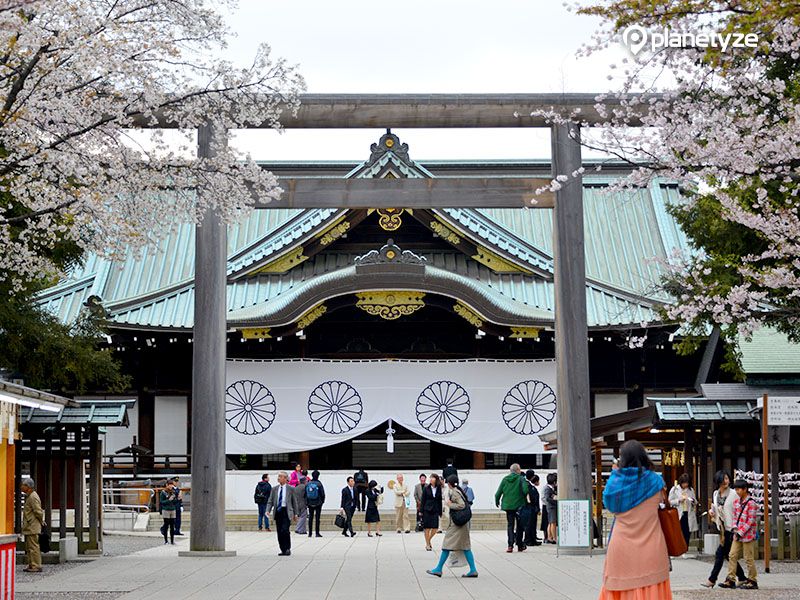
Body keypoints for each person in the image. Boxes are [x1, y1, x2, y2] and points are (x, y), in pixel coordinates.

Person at [598, 440, 671, 600]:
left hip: (621, 546)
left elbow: (608, 504)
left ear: (622, 458)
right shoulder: (655, 481)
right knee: (652, 586)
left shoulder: (615, 483)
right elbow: (663, 502)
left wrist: (615, 474)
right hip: (652, 545)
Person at [426, 474, 478, 578]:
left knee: (447, 545)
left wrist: (449, 504)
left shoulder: (454, 492)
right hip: (462, 524)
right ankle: (473, 569)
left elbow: (461, 505)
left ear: (448, 483)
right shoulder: (458, 490)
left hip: (457, 525)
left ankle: (438, 569)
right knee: (465, 547)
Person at [703, 469, 745, 588]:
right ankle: (741, 577)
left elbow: (739, 509)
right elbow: (716, 509)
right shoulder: (716, 494)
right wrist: (712, 512)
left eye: (727, 479)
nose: (725, 481)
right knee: (727, 555)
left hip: (732, 529)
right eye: (723, 479)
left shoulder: (733, 493)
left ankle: (712, 580)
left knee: (720, 554)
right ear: (718, 481)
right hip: (722, 529)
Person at [718, 479, 759, 590]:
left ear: (745, 489)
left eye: (738, 489)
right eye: (735, 489)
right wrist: (735, 529)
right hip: (737, 534)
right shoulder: (736, 502)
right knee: (732, 555)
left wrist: (741, 532)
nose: (736, 491)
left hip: (748, 535)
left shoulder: (751, 503)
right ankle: (731, 579)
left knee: (748, 558)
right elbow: (735, 517)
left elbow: (750, 521)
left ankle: (752, 580)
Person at [495, 463, 527, 553]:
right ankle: (520, 545)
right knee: (520, 526)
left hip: (508, 506)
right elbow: (525, 490)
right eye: (519, 469)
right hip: (519, 505)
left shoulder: (505, 479)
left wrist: (497, 501)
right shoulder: (521, 479)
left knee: (510, 525)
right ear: (517, 470)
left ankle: (510, 546)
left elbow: (498, 493)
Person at [266, 471, 297, 556]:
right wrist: (268, 510)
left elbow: (294, 502)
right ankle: (282, 549)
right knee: (279, 531)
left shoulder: (291, 489)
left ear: (285, 478)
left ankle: (287, 548)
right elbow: (270, 501)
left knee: (285, 530)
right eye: (278, 476)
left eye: (280, 476)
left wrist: (296, 513)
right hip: (278, 512)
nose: (278, 478)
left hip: (286, 511)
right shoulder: (274, 489)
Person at [669, 473, 698, 552]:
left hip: (688, 513)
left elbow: (695, 501)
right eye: (684, 483)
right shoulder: (675, 489)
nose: (686, 485)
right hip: (679, 513)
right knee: (678, 532)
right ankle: (679, 548)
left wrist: (692, 500)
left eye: (687, 483)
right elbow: (670, 501)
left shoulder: (691, 490)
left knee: (687, 532)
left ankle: (686, 548)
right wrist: (679, 500)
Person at [21, 478, 44, 573]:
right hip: (29, 525)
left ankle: (36, 565)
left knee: (33, 547)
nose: (22, 487)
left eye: (23, 485)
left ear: (28, 487)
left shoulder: (33, 497)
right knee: (29, 547)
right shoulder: (29, 496)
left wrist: (41, 520)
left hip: (32, 525)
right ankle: (31, 564)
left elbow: (38, 511)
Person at [421, 473, 443, 551]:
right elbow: (423, 500)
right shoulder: (426, 488)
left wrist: (440, 512)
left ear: (436, 479)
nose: (431, 479)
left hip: (435, 509)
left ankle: (428, 540)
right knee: (427, 528)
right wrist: (421, 511)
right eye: (430, 478)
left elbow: (440, 500)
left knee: (435, 528)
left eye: (432, 478)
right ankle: (428, 545)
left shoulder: (439, 488)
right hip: (427, 509)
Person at [522, 470, 541, 546]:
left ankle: (533, 539)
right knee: (529, 524)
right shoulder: (526, 484)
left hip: (532, 507)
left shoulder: (529, 484)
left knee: (533, 524)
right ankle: (528, 540)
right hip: (529, 506)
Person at [305, 470, 325, 538]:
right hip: (318, 503)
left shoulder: (308, 483)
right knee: (317, 518)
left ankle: (310, 533)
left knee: (310, 518)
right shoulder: (319, 484)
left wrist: (307, 502)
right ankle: (317, 533)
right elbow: (322, 494)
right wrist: (322, 501)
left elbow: (305, 494)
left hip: (310, 503)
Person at [159, 479, 179, 545]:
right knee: (166, 525)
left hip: (172, 509)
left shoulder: (173, 492)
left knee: (172, 526)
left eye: (172, 485)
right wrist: (169, 500)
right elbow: (162, 502)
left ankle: (172, 541)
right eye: (170, 485)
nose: (171, 486)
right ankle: (166, 540)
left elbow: (175, 502)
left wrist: (176, 499)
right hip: (166, 510)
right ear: (167, 485)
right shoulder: (163, 492)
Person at [542, 473, 558, 544]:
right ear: (554, 482)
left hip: (550, 507)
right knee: (553, 523)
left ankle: (549, 537)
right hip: (551, 507)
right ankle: (554, 538)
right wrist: (556, 501)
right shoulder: (548, 489)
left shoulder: (549, 488)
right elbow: (548, 498)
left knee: (550, 523)